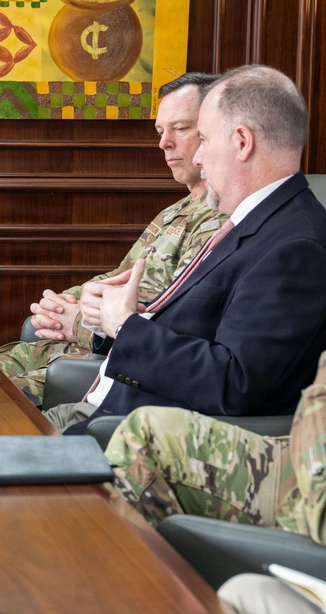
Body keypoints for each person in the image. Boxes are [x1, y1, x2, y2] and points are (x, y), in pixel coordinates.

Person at [44, 64, 326, 432]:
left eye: (204, 139)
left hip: (140, 439)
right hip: (110, 413)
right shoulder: (255, 220)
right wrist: (107, 322)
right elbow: (198, 329)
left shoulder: (296, 246)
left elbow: (235, 382)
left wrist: (126, 327)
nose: (196, 158)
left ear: (242, 142)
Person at [0, 73, 224, 404]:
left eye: (180, 129)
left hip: (108, 364)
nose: (164, 143)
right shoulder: (178, 209)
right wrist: (60, 306)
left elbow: (174, 317)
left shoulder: (223, 217)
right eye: (160, 131)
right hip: (68, 347)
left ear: (216, 132)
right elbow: (117, 277)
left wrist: (77, 323)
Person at [106, 347, 326, 613]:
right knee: (146, 431)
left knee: (146, 442)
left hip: (310, 490)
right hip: (297, 453)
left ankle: (106, 589)